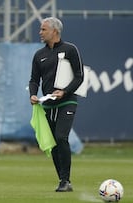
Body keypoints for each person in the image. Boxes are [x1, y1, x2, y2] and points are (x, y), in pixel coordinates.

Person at [29, 17, 84, 192]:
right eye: (40, 29)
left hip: (67, 101)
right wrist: (32, 95)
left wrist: (64, 91)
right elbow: (34, 80)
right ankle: (62, 180)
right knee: (53, 143)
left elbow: (79, 76)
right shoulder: (39, 55)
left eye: (43, 29)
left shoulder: (70, 49)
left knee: (61, 137)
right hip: (47, 105)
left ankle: (66, 180)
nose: (40, 32)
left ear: (55, 31)